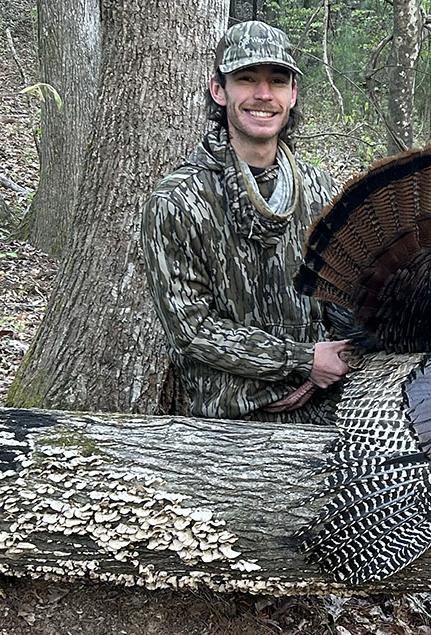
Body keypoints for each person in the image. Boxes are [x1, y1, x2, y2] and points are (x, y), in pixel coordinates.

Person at [141, 20, 349, 422]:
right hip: (229, 427)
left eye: (277, 80)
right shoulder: (178, 200)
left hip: (328, 410)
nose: (263, 94)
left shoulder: (321, 191)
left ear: (292, 94)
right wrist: (303, 359)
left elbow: (345, 300)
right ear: (219, 90)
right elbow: (193, 329)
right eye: (246, 78)